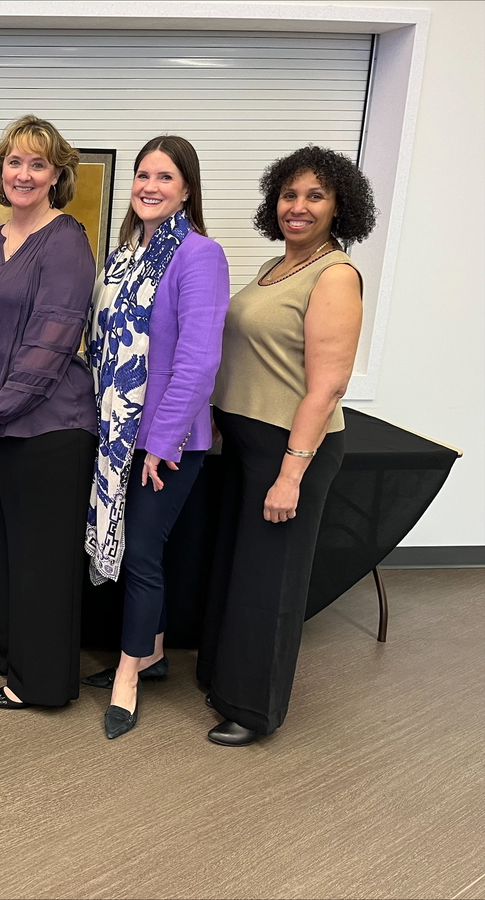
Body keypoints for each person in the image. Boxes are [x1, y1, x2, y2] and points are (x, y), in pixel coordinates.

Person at [199, 146, 376, 746]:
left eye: (315, 196)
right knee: (236, 571)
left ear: (339, 207)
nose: (297, 207)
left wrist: (291, 473)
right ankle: (223, 682)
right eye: (289, 195)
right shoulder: (278, 267)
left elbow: (327, 386)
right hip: (247, 442)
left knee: (270, 584)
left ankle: (254, 710)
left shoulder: (335, 275)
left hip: (289, 447)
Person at [81, 136, 230, 739]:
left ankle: (127, 676)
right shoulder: (121, 258)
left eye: (165, 177)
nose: (149, 185)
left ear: (186, 189)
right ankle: (155, 650)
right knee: (146, 552)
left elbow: (198, 360)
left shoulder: (199, 255)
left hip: (167, 443)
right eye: (143, 174)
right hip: (117, 432)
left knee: (140, 554)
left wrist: (162, 441)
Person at [0, 115, 97, 710]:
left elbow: (52, 339)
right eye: (14, 162)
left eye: (38, 163)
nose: (24, 173)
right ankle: (12, 653)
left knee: (41, 562)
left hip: (47, 429)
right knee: (4, 551)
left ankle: (42, 684)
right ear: (0, 171)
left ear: (56, 174)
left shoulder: (66, 241)